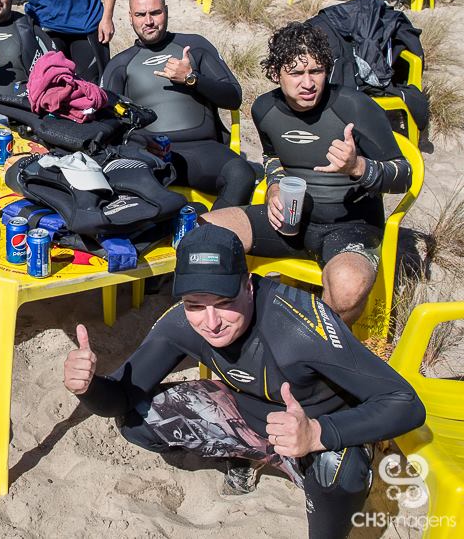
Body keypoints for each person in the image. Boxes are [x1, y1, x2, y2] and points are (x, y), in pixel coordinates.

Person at [63, 224, 426, 539]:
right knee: (137, 419)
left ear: (248, 286)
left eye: (224, 302)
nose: (211, 322)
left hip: (314, 434)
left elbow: (405, 403)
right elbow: (121, 399)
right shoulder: (182, 323)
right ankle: (248, 456)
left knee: (341, 473)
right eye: (195, 305)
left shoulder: (299, 328)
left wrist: (317, 433)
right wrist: (88, 387)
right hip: (250, 423)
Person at [202, 22, 412, 325]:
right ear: (275, 73)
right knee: (204, 234)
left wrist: (358, 167)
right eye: (296, 73)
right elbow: (273, 157)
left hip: (350, 226)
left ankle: (319, 346)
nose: (308, 83)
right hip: (290, 219)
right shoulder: (264, 109)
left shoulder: (354, 106)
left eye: (316, 71)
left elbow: (404, 174)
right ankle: (237, 324)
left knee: (346, 290)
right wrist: (275, 186)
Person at [100, 0, 254, 208]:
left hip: (203, 149)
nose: (149, 21)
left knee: (241, 174)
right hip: (149, 154)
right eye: (141, 15)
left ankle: (212, 228)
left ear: (166, 11)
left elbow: (233, 97)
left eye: (155, 13)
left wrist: (192, 79)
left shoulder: (195, 47)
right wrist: (141, 141)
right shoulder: (120, 64)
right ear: (130, 17)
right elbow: (108, 123)